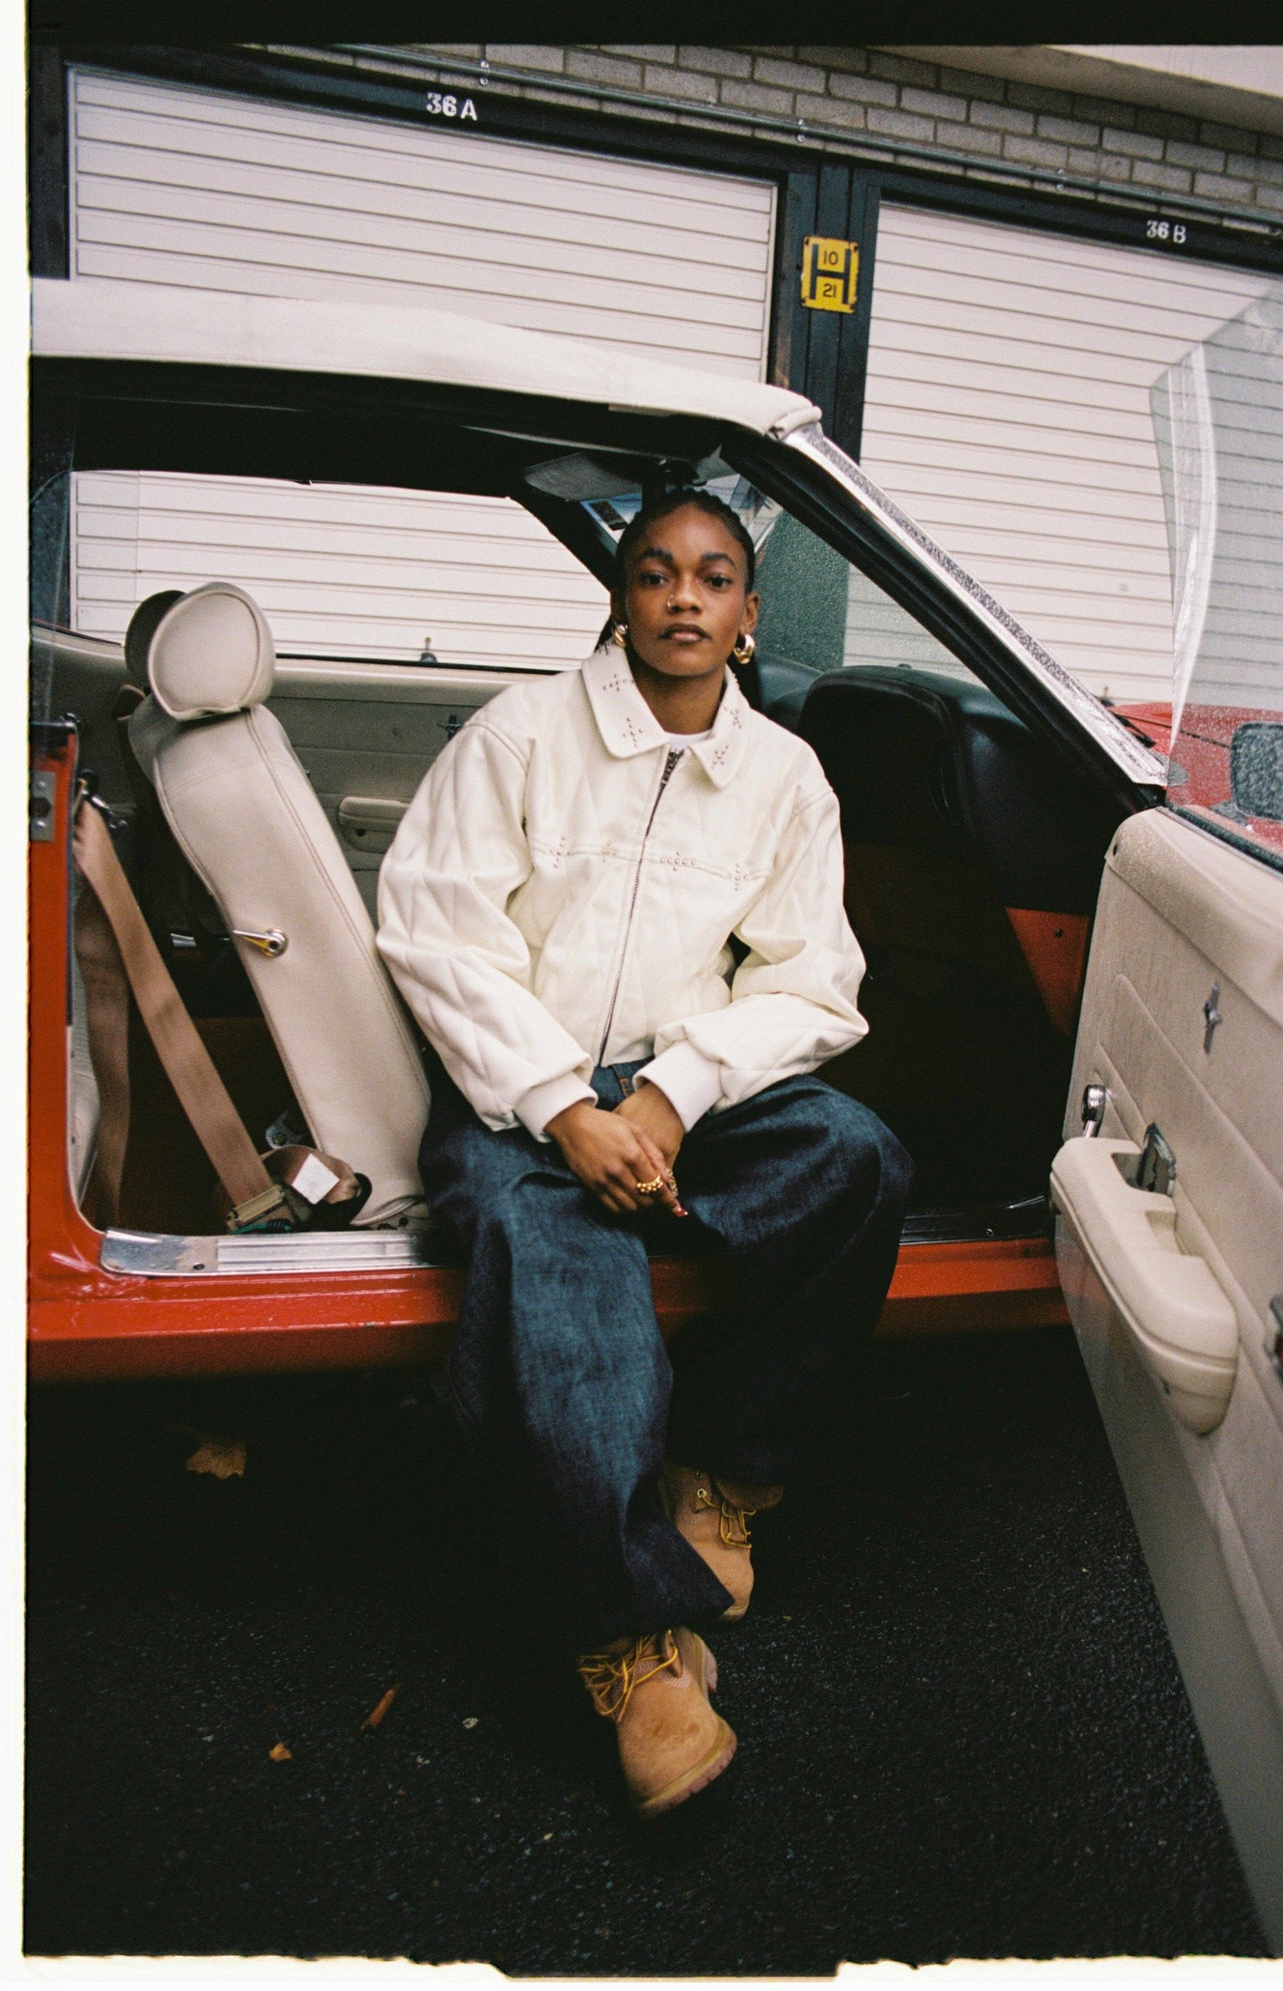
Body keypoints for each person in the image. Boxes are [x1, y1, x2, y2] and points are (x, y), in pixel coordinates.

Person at [377, 488, 911, 1818]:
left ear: (746, 615)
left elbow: (813, 983)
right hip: (519, 1088)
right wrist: (568, 1107)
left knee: (855, 1161)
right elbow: (437, 937)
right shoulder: (519, 736)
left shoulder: (784, 777)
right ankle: (632, 1639)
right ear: (622, 599)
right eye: (658, 573)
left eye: (713, 578)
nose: (684, 598)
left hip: (687, 1090)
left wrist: (676, 1093)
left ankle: (719, 1465)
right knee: (561, 1259)